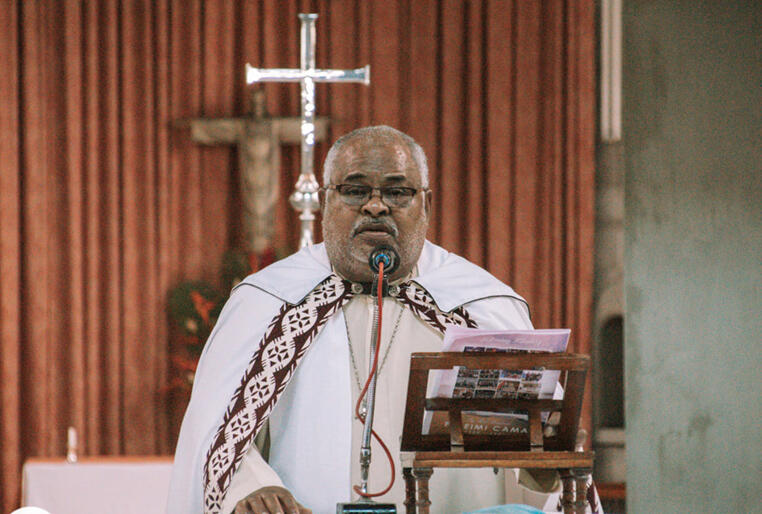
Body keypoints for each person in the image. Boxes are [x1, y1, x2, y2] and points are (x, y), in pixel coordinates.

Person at [167, 126, 569, 513]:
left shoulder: (478, 304)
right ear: (326, 202)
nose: (375, 205)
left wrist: (545, 461)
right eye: (355, 190)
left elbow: (537, 459)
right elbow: (216, 430)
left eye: (397, 191)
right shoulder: (271, 301)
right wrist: (252, 485)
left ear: (426, 204)